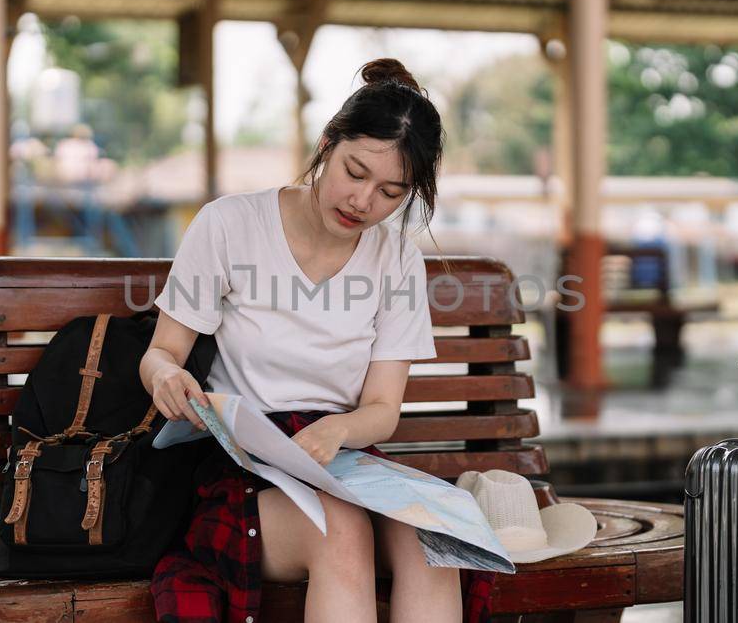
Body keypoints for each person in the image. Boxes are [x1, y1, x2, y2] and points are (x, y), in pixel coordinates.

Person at [139, 59, 491, 623]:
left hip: (341, 459)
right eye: (354, 172)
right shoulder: (229, 225)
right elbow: (163, 352)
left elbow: (382, 409)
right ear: (327, 143)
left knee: (434, 542)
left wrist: (339, 430)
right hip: (244, 467)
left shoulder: (396, 258)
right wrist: (166, 377)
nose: (362, 202)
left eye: (389, 192)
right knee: (342, 532)